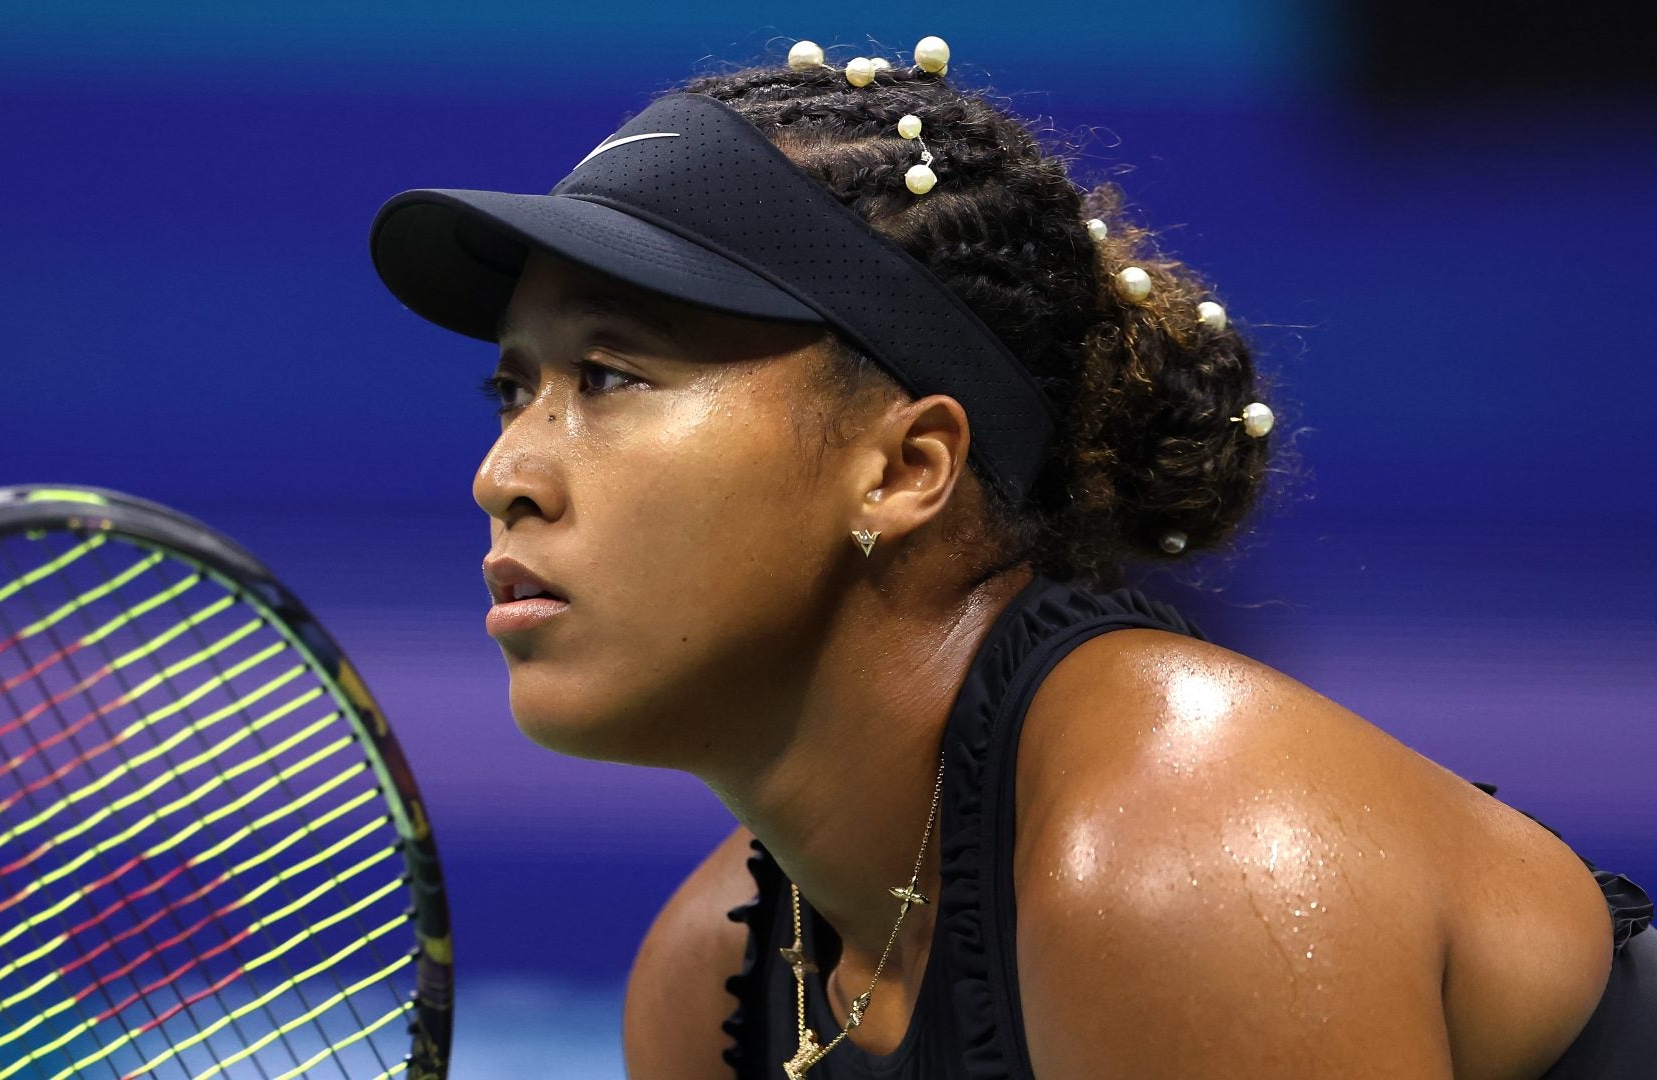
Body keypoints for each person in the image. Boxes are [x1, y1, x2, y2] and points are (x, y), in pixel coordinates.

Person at [367, 37, 1653, 1080]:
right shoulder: (710, 985)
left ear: (904, 468)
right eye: (514, 391)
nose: (507, 474)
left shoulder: (1182, 868)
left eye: (609, 374)